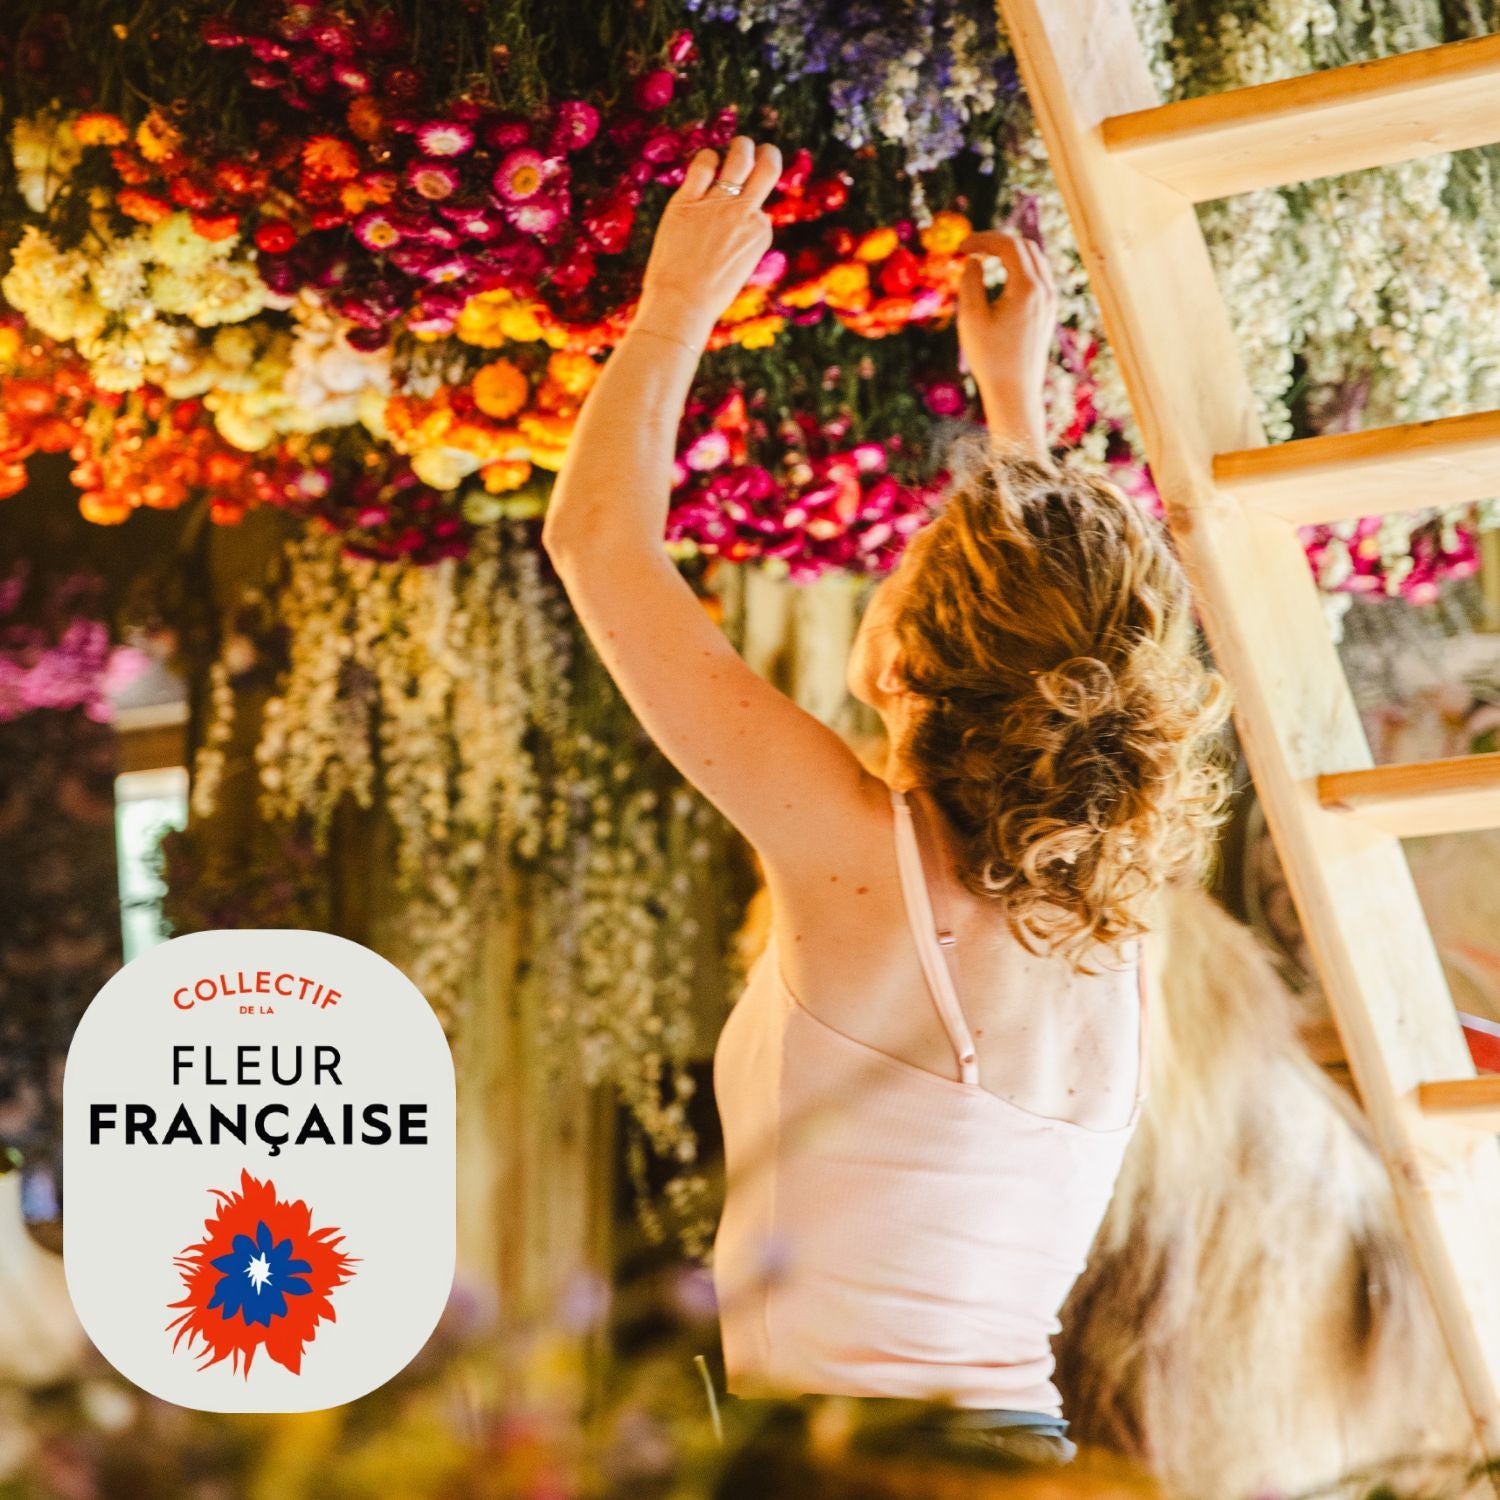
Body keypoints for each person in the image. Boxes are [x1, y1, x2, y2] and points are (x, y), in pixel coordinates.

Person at [543, 135, 1232, 1466]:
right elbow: (1061, 639)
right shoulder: (1110, 913)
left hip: (867, 1477)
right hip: (996, 1457)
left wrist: (678, 299)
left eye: (905, 563)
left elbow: (597, 543)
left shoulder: (863, 858)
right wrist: (1009, 403)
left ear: (906, 660)